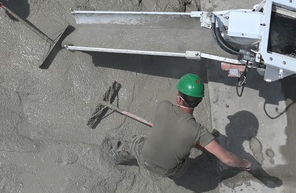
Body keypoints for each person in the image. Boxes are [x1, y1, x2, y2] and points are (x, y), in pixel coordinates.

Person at [109, 74, 254, 178]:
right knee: (184, 156)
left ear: (179, 98)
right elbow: (228, 159)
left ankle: (118, 156)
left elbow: (166, 126)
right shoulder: (199, 132)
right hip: (169, 171)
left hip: (144, 158)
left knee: (138, 141)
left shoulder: (163, 106)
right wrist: (245, 163)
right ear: (198, 101)